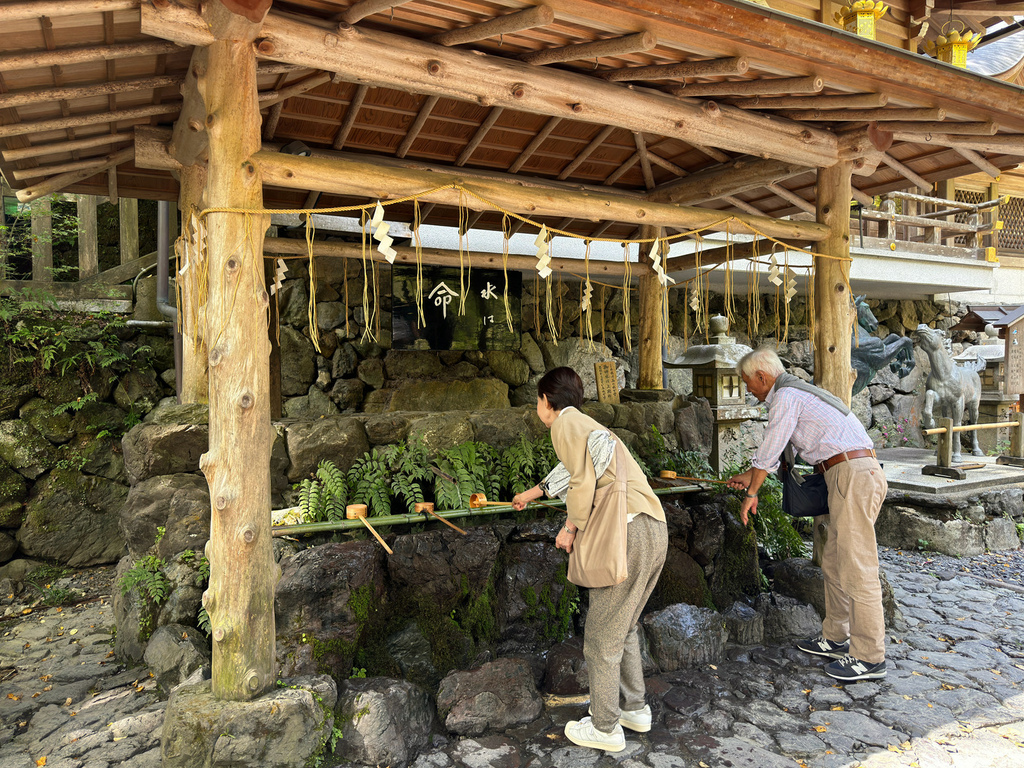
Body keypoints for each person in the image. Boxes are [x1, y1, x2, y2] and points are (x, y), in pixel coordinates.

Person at [512, 366, 668, 752]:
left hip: (623, 534)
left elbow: (581, 481)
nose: (538, 407)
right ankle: (634, 709)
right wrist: (532, 494)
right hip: (652, 527)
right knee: (624, 627)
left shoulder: (563, 424)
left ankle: (604, 728)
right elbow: (577, 470)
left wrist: (571, 527)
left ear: (548, 401)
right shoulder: (588, 425)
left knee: (599, 640)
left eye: (538, 400)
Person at [726, 347, 888, 682]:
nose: (748, 390)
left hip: (853, 475)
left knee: (858, 566)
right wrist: (750, 475)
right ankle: (835, 636)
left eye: (748, 383)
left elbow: (772, 446)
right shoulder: (793, 392)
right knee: (834, 560)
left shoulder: (786, 395)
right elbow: (771, 454)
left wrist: (752, 492)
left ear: (762, 376)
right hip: (843, 474)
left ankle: (870, 656)